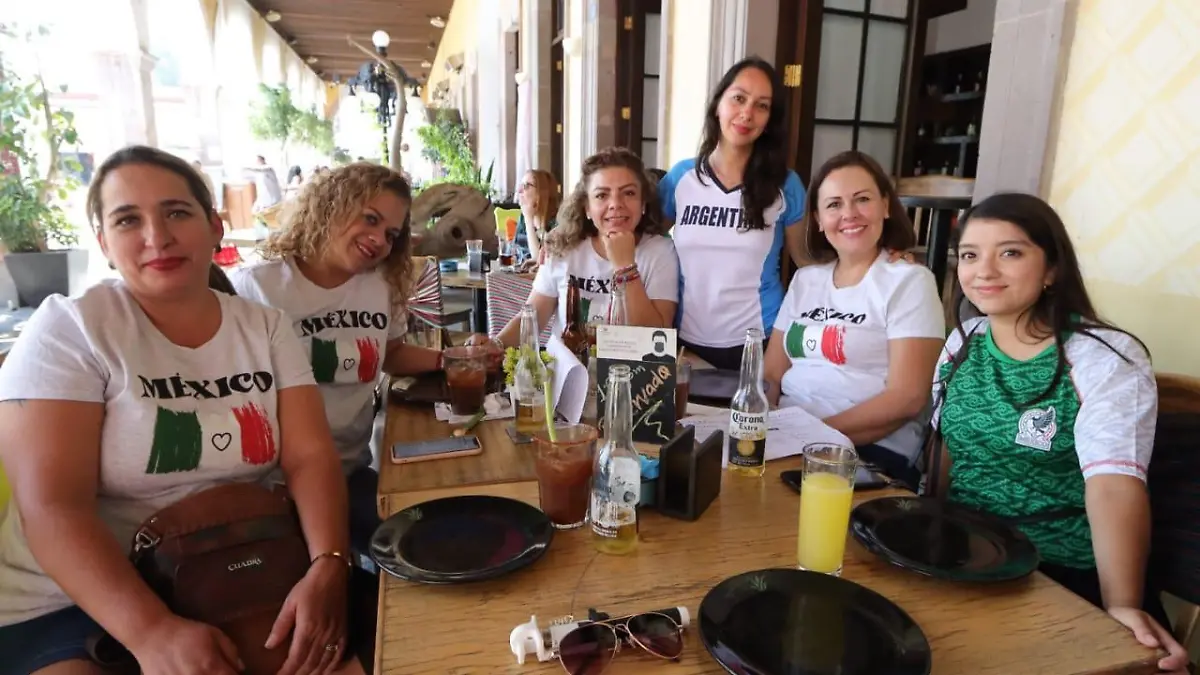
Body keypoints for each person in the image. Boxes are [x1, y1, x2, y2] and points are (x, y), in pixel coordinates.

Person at [0, 146, 357, 675]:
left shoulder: (264, 326)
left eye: (176, 212)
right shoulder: (71, 329)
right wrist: (152, 632)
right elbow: (53, 509)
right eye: (128, 220)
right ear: (104, 243)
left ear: (214, 227)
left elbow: (310, 458)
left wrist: (329, 565)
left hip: (231, 564)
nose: (157, 236)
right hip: (71, 600)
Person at [928, 193, 1187, 674]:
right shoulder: (962, 342)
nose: (984, 270)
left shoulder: (1104, 357)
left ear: (1051, 268)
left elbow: (1113, 486)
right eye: (970, 254)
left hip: (1055, 571)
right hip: (964, 556)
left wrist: (1120, 605)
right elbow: (947, 452)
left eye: (1010, 252)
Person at [229, 163, 473, 560]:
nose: (379, 240)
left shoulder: (381, 286)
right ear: (332, 205)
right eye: (370, 219)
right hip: (272, 486)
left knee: (430, 544)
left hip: (348, 471)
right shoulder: (256, 286)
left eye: (391, 234)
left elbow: (391, 353)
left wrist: (455, 359)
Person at [763, 151, 944, 485]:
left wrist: (810, 436)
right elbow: (772, 373)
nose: (849, 214)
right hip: (786, 439)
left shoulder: (909, 281)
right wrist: (761, 425)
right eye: (834, 204)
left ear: (885, 206)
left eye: (862, 199)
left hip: (869, 451)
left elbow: (908, 398)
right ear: (818, 218)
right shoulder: (806, 280)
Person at [658, 57, 807, 370]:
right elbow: (643, 243)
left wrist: (879, 262)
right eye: (739, 98)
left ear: (770, 120)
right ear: (718, 105)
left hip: (761, 342)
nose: (747, 113)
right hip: (685, 345)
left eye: (762, 106)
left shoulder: (786, 184)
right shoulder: (681, 178)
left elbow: (806, 260)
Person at [486, 147, 679, 347]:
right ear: (587, 207)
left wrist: (625, 268)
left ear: (643, 203)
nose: (615, 204)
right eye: (601, 195)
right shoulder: (564, 248)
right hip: (567, 365)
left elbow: (658, 338)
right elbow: (531, 319)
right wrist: (495, 346)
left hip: (629, 366)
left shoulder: (661, 252)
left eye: (629, 193)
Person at [514, 169, 559, 265]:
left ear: (541, 192)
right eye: (521, 186)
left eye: (526, 186)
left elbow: (540, 262)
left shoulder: (558, 222)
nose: (520, 191)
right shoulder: (522, 218)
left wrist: (528, 220)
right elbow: (513, 253)